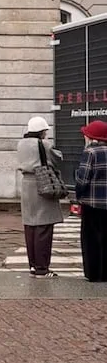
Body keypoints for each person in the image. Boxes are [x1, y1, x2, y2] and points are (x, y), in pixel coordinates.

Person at [17, 115, 64, 278]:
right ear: (41, 131)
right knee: (44, 226)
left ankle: (33, 265)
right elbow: (57, 159)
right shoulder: (44, 144)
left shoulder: (21, 144)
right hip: (42, 183)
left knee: (30, 225)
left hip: (26, 184)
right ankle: (42, 268)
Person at [75, 119, 107, 282]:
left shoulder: (91, 152)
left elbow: (83, 178)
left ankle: (93, 273)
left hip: (92, 203)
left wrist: (78, 195)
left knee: (91, 240)